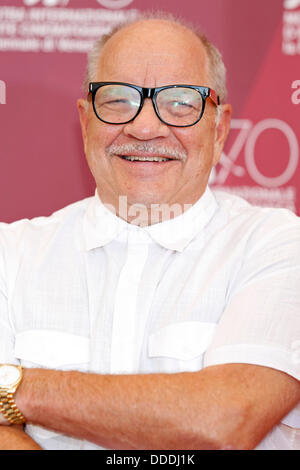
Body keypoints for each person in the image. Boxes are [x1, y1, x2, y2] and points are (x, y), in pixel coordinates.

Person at [0, 12, 299, 451]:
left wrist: (15, 387)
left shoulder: (278, 247)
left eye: (180, 102)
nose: (144, 127)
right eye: (118, 100)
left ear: (219, 130)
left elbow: (227, 419)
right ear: (85, 122)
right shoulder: (11, 255)